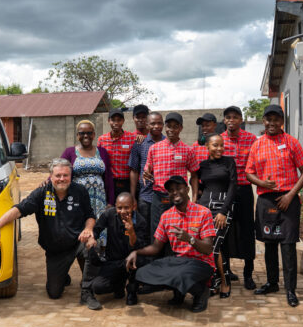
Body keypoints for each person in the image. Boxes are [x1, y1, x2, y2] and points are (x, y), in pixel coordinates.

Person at [0, 158, 102, 310]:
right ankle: (62, 275)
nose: (62, 179)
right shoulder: (41, 193)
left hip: (77, 242)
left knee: (92, 246)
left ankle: (87, 292)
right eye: (58, 175)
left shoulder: (80, 191)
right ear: (51, 176)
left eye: (65, 175)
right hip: (56, 251)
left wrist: (89, 229)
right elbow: (19, 209)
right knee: (54, 293)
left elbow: (90, 215)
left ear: (71, 176)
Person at [245, 104, 303, 307]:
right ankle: (272, 283)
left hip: (288, 200)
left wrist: (291, 195)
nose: (272, 123)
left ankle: (291, 290)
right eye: (268, 119)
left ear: (282, 121)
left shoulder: (291, 142)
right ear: (263, 121)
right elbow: (248, 172)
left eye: (276, 119)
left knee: (288, 245)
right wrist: (261, 183)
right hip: (266, 200)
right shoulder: (257, 145)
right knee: (269, 243)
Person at [126, 176, 216, 313]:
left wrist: (190, 239)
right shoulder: (166, 216)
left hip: (201, 262)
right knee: (143, 272)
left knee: (179, 274)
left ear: (187, 189)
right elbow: (156, 247)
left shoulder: (203, 212)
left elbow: (208, 249)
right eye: (171, 190)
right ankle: (178, 290)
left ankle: (201, 292)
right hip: (178, 262)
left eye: (178, 188)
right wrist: (136, 252)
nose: (175, 192)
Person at [89, 192, 151, 306]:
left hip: (132, 260)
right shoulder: (109, 214)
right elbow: (96, 229)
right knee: (98, 287)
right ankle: (118, 284)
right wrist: (92, 238)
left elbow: (140, 246)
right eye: (119, 208)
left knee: (140, 261)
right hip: (113, 260)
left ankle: (132, 290)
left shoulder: (140, 221)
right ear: (115, 206)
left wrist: (131, 232)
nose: (123, 211)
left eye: (127, 208)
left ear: (133, 207)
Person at [143, 112, 200, 234]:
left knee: (178, 233)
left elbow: (194, 175)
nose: (172, 130)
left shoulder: (188, 150)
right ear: (165, 127)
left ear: (181, 128)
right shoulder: (154, 148)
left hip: (180, 198)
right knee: (157, 233)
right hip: (159, 198)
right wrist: (146, 173)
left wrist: (194, 198)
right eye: (169, 126)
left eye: (176, 126)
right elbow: (148, 169)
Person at [220, 106, 258, 289]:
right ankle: (226, 271)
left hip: (244, 190)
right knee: (225, 231)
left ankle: (248, 274)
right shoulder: (219, 140)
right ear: (224, 120)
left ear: (241, 120)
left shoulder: (251, 139)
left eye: (235, 117)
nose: (231, 120)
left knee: (247, 231)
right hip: (226, 191)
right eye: (228, 117)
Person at [196, 133, 237, 298]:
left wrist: (223, 212)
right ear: (207, 146)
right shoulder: (202, 165)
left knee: (213, 245)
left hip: (222, 208)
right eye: (215, 145)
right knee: (210, 246)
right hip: (205, 208)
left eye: (221, 145)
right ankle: (214, 281)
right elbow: (200, 187)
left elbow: (233, 187)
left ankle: (225, 282)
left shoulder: (229, 162)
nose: (219, 148)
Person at [60, 120, 114, 218]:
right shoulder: (69, 152)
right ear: (77, 135)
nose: (86, 136)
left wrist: (110, 201)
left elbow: (108, 178)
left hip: (99, 198)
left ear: (93, 135)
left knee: (98, 224)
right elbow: (59, 169)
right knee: (79, 223)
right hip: (77, 197)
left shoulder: (102, 152)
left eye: (89, 133)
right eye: (82, 133)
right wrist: (48, 180)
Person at [129, 112, 165, 228]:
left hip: (164, 196)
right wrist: (133, 196)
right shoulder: (140, 144)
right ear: (147, 125)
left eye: (159, 123)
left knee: (163, 229)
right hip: (145, 196)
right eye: (153, 123)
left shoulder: (168, 143)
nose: (156, 126)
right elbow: (134, 170)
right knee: (144, 229)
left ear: (163, 124)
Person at [98, 108, 137, 200]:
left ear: (123, 121)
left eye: (119, 120)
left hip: (127, 182)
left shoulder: (131, 138)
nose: (116, 123)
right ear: (108, 121)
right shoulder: (102, 139)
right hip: (109, 182)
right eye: (113, 120)